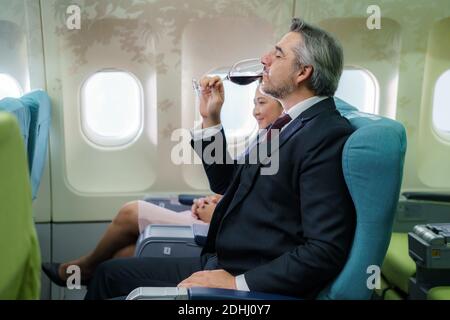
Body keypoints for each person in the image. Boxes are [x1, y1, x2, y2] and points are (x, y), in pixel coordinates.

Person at [84, 18, 356, 300]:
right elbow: (225, 181)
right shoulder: (286, 125)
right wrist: (211, 118)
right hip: (223, 261)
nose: (265, 59)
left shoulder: (325, 136)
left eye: (277, 55)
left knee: (113, 284)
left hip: (247, 277)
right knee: (108, 273)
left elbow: (324, 250)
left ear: (303, 72)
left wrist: (238, 283)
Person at [41, 85, 284, 286]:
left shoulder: (286, 146)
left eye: (261, 103)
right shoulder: (264, 139)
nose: (254, 112)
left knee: (131, 213)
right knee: (121, 256)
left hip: (222, 237)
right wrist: (218, 200)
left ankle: (85, 268)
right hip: (217, 222)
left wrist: (218, 214)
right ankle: (89, 268)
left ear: (284, 105)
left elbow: (265, 215)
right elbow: (231, 185)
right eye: (253, 103)